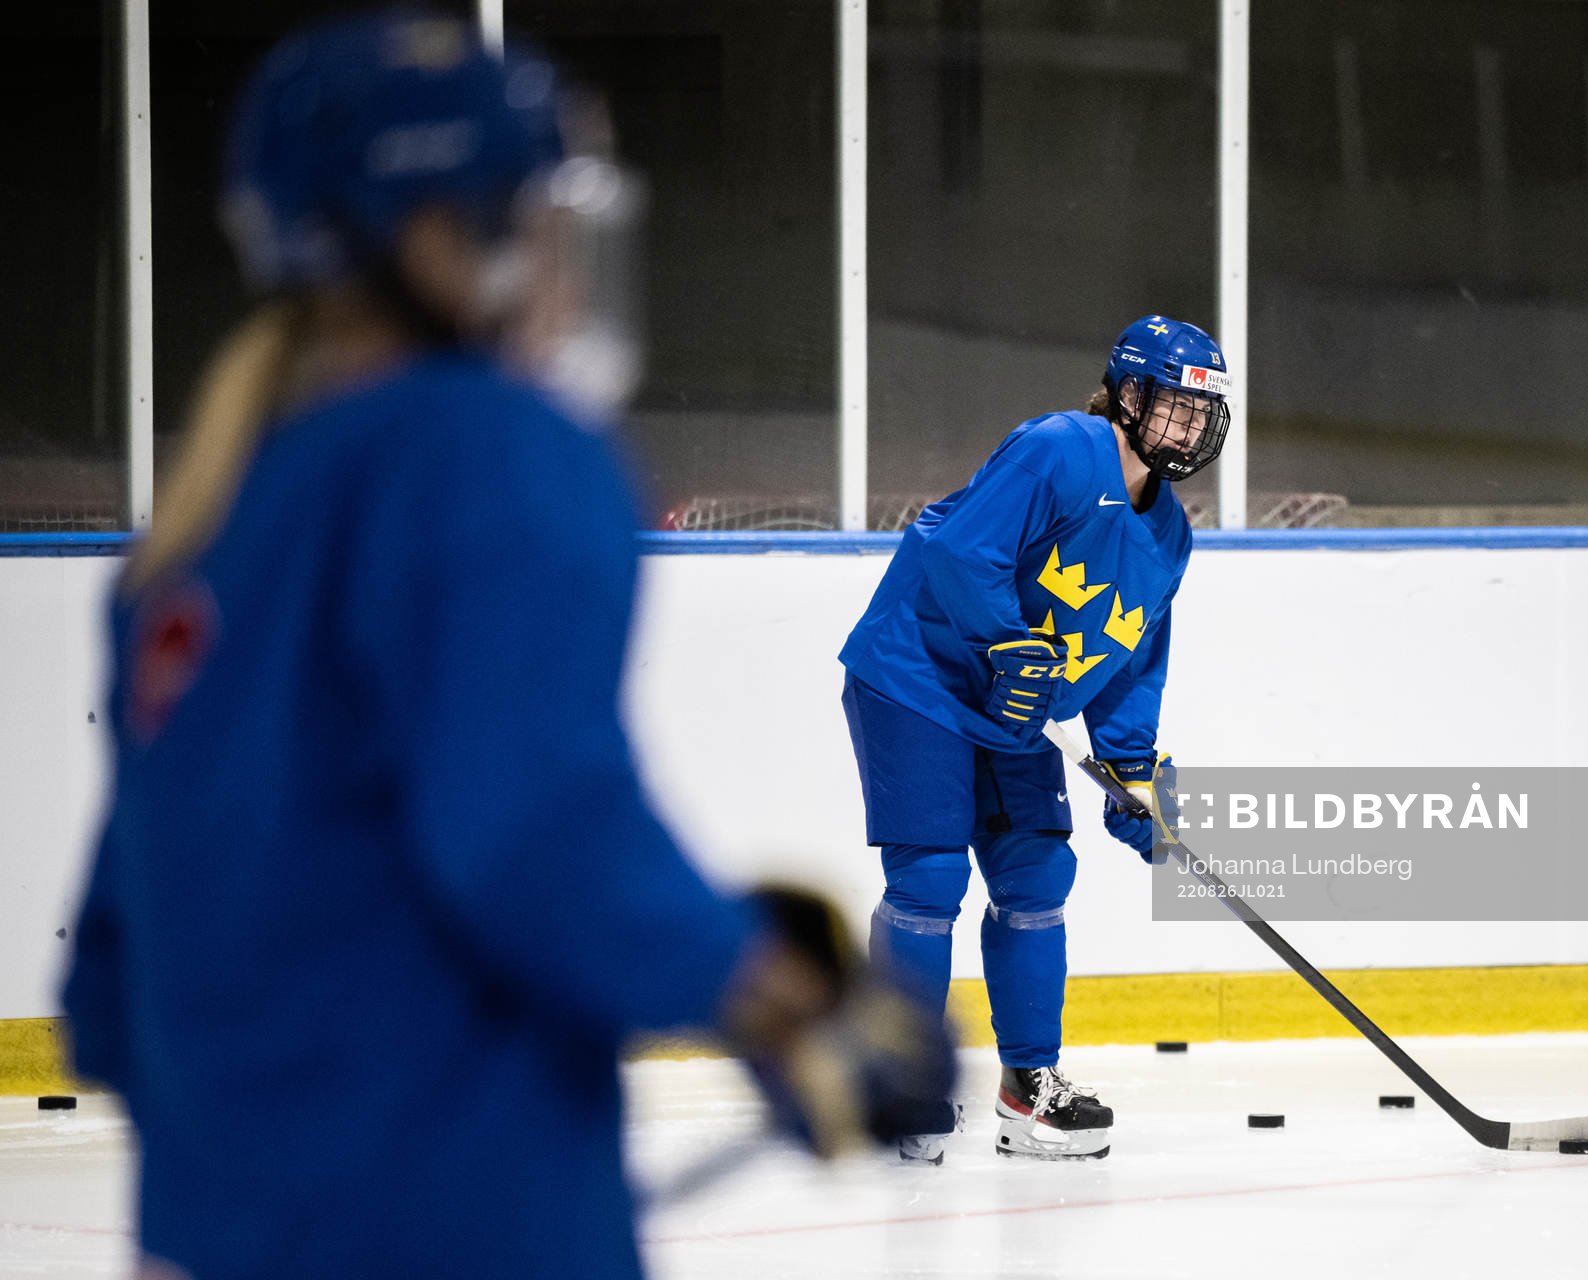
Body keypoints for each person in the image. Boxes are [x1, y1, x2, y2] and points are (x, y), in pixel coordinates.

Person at [60, 13, 951, 1280]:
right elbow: (530, 827)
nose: (565, 269)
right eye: (534, 221)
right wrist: (776, 997)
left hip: (209, 1233)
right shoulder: (489, 451)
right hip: (458, 1229)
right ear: (433, 237)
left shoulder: (205, 524)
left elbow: (108, 971)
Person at [839, 316, 1228, 1162]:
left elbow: (1133, 657)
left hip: (1018, 711)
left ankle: (1029, 1088)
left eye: (1204, 415)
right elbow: (959, 550)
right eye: (1176, 407)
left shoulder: (1171, 537)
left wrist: (1133, 768)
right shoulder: (1061, 448)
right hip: (922, 679)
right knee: (930, 876)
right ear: (1129, 396)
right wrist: (1006, 641)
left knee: (1038, 872)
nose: (1191, 428)